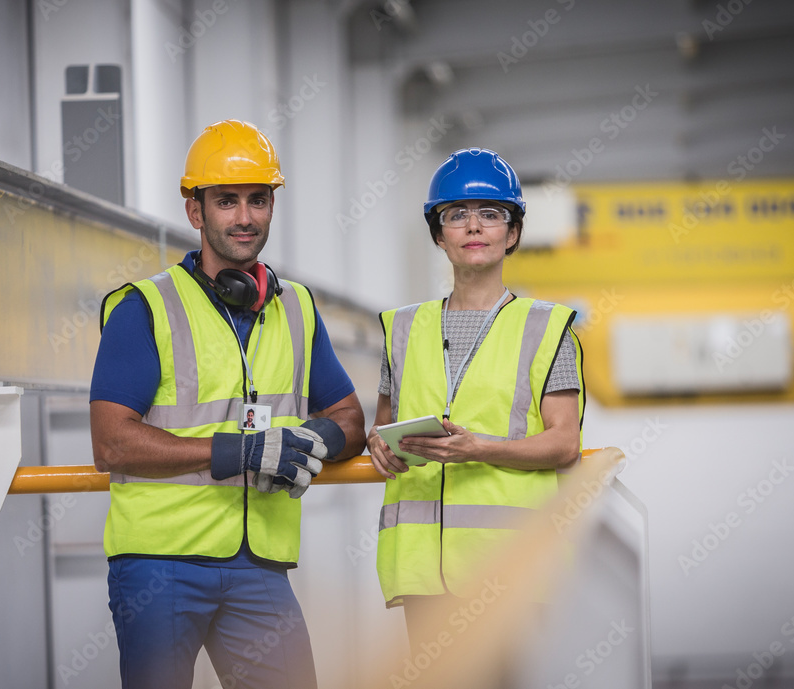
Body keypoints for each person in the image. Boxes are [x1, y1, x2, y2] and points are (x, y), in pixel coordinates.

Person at [90, 119, 366, 689]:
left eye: (258, 200)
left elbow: (350, 418)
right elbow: (111, 440)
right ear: (196, 212)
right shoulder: (144, 308)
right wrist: (240, 451)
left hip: (258, 566)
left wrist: (315, 440)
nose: (245, 217)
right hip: (160, 564)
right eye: (227, 201)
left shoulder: (295, 308)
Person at [366, 148, 585, 649]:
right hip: (421, 571)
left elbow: (564, 444)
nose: (474, 226)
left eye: (491, 214)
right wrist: (377, 444)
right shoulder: (401, 328)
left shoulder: (546, 328)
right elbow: (382, 427)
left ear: (512, 234)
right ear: (438, 234)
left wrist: (478, 448)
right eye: (456, 215)